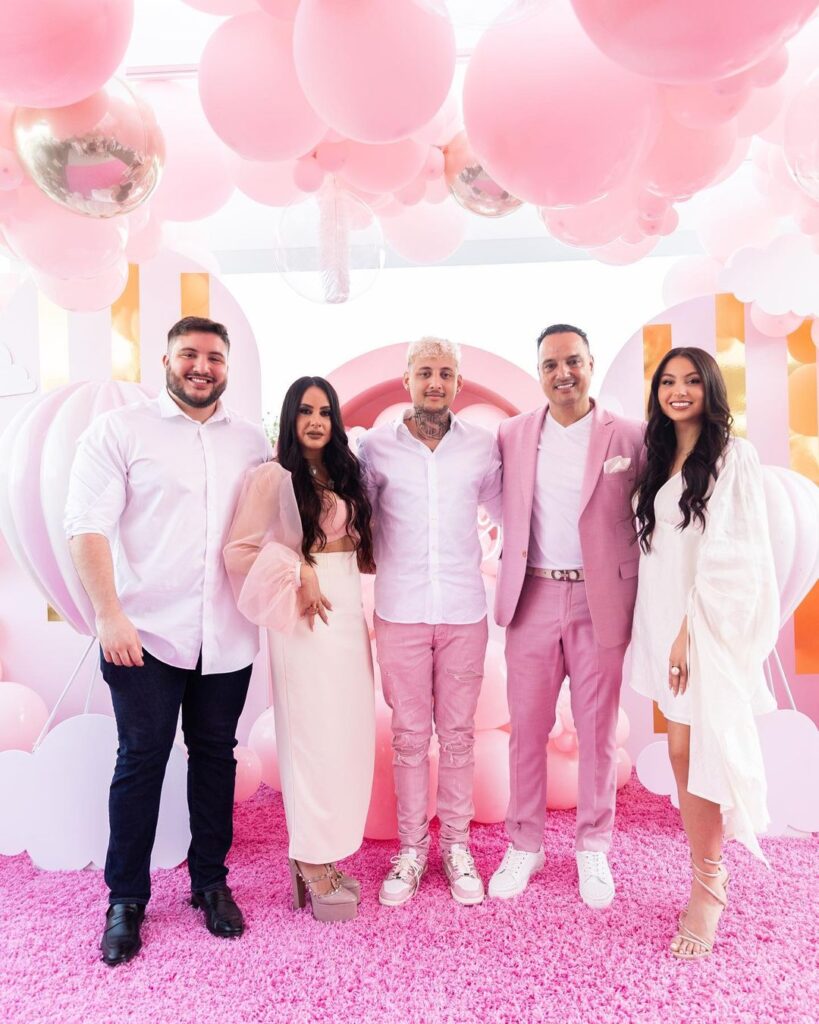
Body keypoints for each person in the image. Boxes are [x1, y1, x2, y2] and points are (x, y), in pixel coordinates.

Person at [65, 316, 270, 966]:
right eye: (189, 354)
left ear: (227, 365)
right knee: (141, 761)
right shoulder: (120, 430)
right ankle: (125, 898)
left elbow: (268, 526)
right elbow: (86, 526)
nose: (201, 366)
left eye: (213, 356)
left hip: (228, 635)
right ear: (165, 359)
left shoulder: (251, 441)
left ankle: (209, 884)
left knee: (215, 757)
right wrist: (109, 615)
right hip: (143, 635)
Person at [626, 346, 778, 959]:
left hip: (701, 629)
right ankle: (707, 872)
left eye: (691, 380)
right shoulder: (659, 456)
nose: (679, 390)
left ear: (710, 388)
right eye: (668, 381)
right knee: (683, 754)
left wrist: (690, 632)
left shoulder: (733, 456)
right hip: (663, 624)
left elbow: (736, 554)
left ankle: (709, 883)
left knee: (700, 751)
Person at [488, 324, 643, 909]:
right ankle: (524, 844)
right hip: (532, 597)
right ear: (539, 372)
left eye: (573, 361)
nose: (563, 373)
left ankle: (592, 847)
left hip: (601, 600)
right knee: (525, 729)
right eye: (551, 364)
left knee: (597, 731)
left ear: (591, 363)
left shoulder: (630, 435)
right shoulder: (511, 434)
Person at [357, 337, 502, 907]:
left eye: (445, 372)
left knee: (460, 738)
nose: (435, 382)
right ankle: (413, 850)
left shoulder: (481, 449)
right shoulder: (375, 447)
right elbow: (353, 517)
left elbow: (511, 511)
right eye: (425, 372)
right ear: (407, 380)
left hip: (466, 611)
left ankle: (457, 847)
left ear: (458, 382)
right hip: (400, 611)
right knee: (410, 739)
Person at [224, 376, 375, 923]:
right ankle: (311, 862)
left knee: (345, 736)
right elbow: (238, 552)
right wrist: (300, 567)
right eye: (305, 411)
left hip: (348, 616)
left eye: (325, 412)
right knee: (311, 738)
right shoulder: (272, 476)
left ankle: (325, 853)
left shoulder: (344, 473)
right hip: (302, 619)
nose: (316, 421)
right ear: (290, 419)